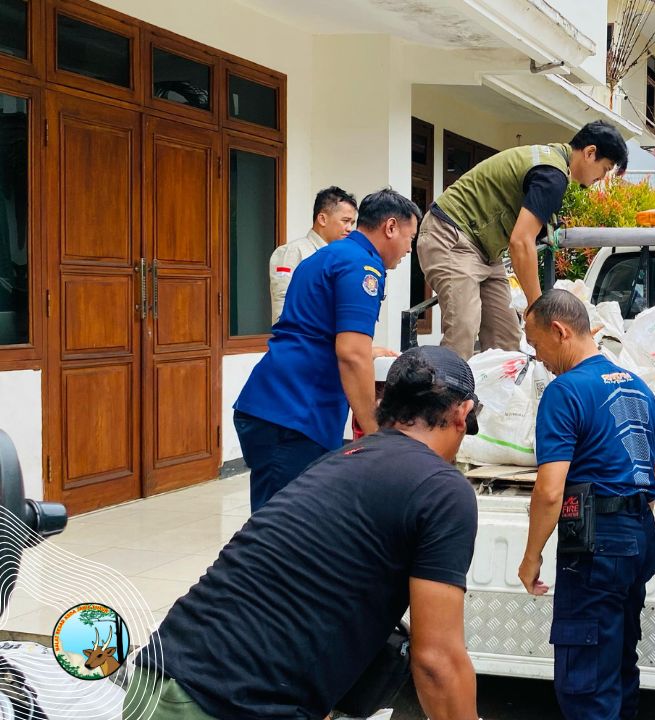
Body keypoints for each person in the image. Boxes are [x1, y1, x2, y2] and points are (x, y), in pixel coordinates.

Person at [124, 345, 482, 720]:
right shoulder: (442, 489)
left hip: (156, 678)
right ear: (462, 414)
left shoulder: (338, 461)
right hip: (221, 702)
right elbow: (437, 660)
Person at [517, 289, 655, 720]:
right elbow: (653, 475)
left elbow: (549, 490)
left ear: (559, 331)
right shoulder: (638, 386)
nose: (536, 355)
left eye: (537, 343)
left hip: (597, 541)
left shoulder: (565, 392)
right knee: (618, 665)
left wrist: (530, 557)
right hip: (639, 536)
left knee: (584, 681)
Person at [234, 189, 420, 511]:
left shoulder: (329, 255)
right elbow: (351, 352)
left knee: (288, 525)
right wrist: (374, 433)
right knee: (283, 531)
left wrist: (367, 350)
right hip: (292, 413)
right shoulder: (362, 266)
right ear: (390, 227)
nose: (409, 249)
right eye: (410, 237)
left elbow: (318, 330)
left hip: (278, 404)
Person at [420, 121, 629, 359]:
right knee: (463, 327)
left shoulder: (552, 163)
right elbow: (521, 242)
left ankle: (493, 396)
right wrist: (537, 308)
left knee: (506, 339)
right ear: (590, 153)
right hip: (452, 233)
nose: (602, 178)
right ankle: (447, 396)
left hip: (486, 250)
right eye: (605, 168)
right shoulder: (552, 175)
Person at [269, 186, 359, 325]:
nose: (349, 228)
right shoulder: (293, 252)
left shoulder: (342, 257)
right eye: (345, 221)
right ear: (322, 219)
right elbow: (282, 307)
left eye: (352, 223)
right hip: (303, 343)